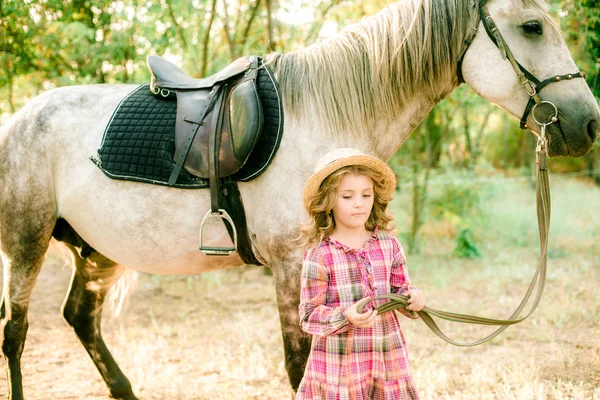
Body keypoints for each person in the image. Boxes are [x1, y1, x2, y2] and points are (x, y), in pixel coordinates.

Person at [297, 148, 425, 400]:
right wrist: (345, 316)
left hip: (385, 358)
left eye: (366, 195)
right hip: (339, 367)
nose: (359, 203)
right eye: (347, 196)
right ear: (328, 201)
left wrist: (414, 298)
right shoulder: (320, 254)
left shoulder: (389, 245)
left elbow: (401, 294)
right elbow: (308, 316)